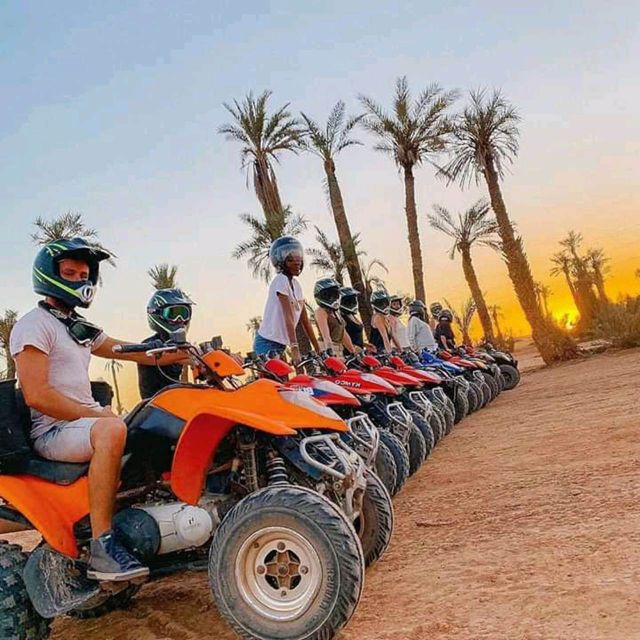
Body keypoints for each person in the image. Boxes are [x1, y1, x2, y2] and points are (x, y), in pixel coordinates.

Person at [11, 238, 187, 582]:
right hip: (53, 431)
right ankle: (102, 547)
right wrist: (97, 415)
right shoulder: (34, 325)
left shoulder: (76, 327)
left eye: (84, 273)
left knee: (155, 421)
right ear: (49, 275)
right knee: (113, 428)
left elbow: (127, 351)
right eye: (70, 273)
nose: (80, 280)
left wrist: (182, 352)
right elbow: (37, 396)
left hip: (81, 424)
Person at [253, 236, 319, 361]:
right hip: (266, 343)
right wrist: (294, 348)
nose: (296, 261)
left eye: (298, 257)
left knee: (282, 379)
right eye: (290, 259)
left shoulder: (296, 285)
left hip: (280, 345)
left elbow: (305, 320)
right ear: (280, 262)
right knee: (274, 380)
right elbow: (287, 315)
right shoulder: (280, 280)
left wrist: (318, 349)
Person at [137, 288, 194, 400]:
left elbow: (194, 355)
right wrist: (197, 358)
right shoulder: (150, 345)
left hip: (175, 401)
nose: (180, 319)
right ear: (157, 314)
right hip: (156, 405)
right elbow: (179, 356)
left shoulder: (181, 344)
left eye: (183, 313)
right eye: (173, 314)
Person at [313, 278, 357, 356]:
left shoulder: (336, 312)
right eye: (329, 295)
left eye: (335, 294)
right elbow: (326, 336)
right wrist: (330, 352)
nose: (333, 297)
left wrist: (353, 352)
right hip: (327, 349)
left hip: (338, 350)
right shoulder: (321, 312)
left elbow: (343, 334)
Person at [369, 289, 400, 353]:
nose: (384, 305)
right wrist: (389, 353)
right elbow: (384, 337)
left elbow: (393, 335)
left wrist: (401, 350)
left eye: (385, 302)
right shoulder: (378, 317)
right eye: (380, 303)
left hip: (384, 351)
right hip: (378, 353)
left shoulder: (386, 318)